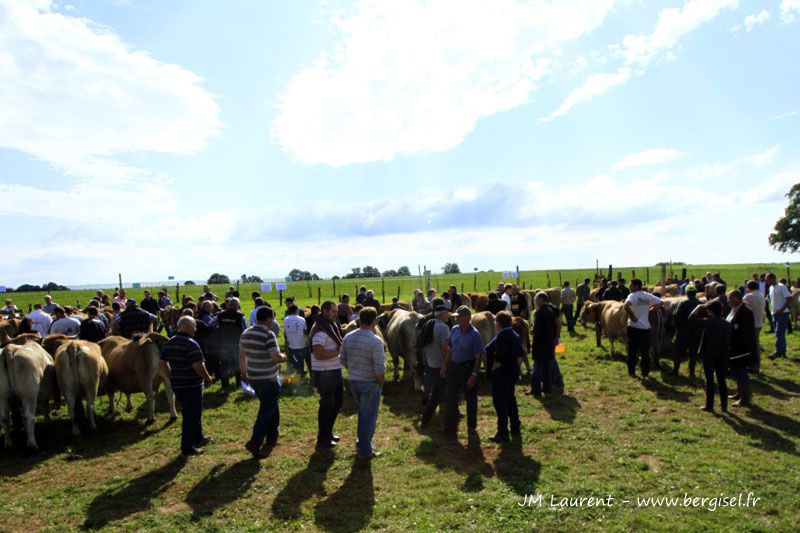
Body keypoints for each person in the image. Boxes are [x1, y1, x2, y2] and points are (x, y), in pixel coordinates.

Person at [160, 316, 213, 456]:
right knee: (192, 415)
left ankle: (198, 438)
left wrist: (171, 376)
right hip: (192, 385)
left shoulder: (170, 342)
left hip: (177, 384)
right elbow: (198, 365)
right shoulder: (191, 343)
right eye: (194, 326)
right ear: (188, 327)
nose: (195, 329)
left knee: (191, 412)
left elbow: (163, 363)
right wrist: (207, 377)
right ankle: (187, 447)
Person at [339, 306, 385, 459]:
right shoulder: (376, 341)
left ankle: (361, 445)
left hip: (353, 382)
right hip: (370, 383)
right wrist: (381, 383)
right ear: (374, 321)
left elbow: (343, 360)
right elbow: (379, 369)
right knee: (369, 417)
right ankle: (365, 451)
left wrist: (354, 370)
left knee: (363, 414)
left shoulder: (348, 336)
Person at [240, 306, 286, 458]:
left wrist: (243, 372)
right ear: (267, 318)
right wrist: (284, 357)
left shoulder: (246, 332)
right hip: (268, 378)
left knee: (271, 405)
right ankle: (255, 441)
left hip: (253, 377)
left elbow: (242, 355)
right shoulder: (268, 334)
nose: (272, 321)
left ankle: (272, 436)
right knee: (266, 410)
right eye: (272, 318)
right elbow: (275, 357)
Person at [442, 306, 484, 438]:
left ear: (467, 318)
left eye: (459, 317)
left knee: (470, 398)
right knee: (450, 396)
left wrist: (474, 375)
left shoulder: (475, 335)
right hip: (454, 367)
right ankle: (450, 427)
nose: (456, 319)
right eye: (456, 317)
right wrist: (444, 365)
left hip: (468, 368)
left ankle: (471, 427)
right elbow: (451, 350)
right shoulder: (454, 330)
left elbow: (478, 356)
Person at [309, 301, 344, 449]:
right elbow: (318, 354)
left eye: (336, 311)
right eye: (333, 311)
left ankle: (327, 432)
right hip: (325, 373)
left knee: (337, 402)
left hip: (334, 370)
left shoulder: (330, 326)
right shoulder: (320, 330)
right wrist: (339, 352)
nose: (336, 314)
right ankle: (323, 437)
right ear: (324, 311)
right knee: (327, 406)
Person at [484, 311, 523, 442]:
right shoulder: (515, 334)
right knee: (510, 400)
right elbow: (520, 355)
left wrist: (492, 369)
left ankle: (502, 432)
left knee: (500, 403)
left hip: (501, 375)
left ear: (498, 323)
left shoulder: (502, 336)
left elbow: (499, 357)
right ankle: (515, 427)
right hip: (512, 373)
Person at [689, 301, 730, 413]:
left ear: (711, 311)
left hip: (709, 354)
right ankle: (724, 405)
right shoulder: (726, 323)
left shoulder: (709, 322)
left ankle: (709, 405)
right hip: (722, 354)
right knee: (722, 380)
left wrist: (697, 308)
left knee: (710, 380)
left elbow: (691, 319)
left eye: (707, 310)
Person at [623, 279, 663, 378]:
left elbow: (626, 305)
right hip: (645, 328)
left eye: (631, 285)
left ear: (636, 286)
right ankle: (645, 372)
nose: (629, 287)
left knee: (632, 350)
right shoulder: (647, 295)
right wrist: (652, 309)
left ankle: (631, 372)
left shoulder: (632, 295)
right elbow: (661, 302)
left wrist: (632, 316)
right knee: (645, 351)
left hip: (634, 326)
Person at [420, 306, 451, 427]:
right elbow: (445, 348)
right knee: (438, 392)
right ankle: (426, 418)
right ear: (442, 314)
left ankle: (453, 411)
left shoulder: (429, 324)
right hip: (441, 364)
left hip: (431, 362)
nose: (449, 315)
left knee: (441, 388)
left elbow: (423, 345)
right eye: (447, 313)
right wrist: (446, 364)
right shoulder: (443, 327)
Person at [727, 291, 756, 407]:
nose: (728, 301)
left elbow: (745, 333)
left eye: (729, 299)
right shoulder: (735, 309)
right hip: (734, 347)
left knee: (741, 372)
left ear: (736, 299)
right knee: (736, 371)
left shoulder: (745, 312)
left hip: (742, 349)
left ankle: (744, 398)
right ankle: (739, 393)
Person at [529, 292, 557, 397]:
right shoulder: (550, 311)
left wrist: (532, 331)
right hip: (548, 343)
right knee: (546, 367)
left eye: (536, 299)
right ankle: (547, 387)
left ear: (542, 300)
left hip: (540, 344)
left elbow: (537, 329)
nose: (535, 301)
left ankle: (535, 389)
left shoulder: (540, 312)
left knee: (537, 368)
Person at [216, 297, 248, 388]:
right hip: (236, 344)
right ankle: (238, 383)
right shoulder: (240, 316)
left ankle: (225, 384)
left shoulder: (220, 315)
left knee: (224, 364)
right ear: (237, 306)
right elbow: (245, 330)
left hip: (223, 343)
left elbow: (212, 325)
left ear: (228, 305)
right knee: (237, 363)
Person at [672, 285, 702, 377]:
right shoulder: (701, 304)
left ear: (686, 293)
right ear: (695, 293)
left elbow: (677, 316)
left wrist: (678, 327)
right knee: (693, 352)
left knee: (678, 351)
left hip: (683, 331)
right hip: (697, 331)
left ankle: (675, 371)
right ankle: (691, 372)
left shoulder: (683, 303)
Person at [742, 280, 766, 373]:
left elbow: (741, 304)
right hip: (759, 323)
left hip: (752, 324)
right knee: (755, 345)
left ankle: (754, 366)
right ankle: (755, 365)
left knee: (753, 346)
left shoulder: (749, 296)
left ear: (749, 287)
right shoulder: (760, 294)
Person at [766, 272, 791, 359]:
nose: (767, 282)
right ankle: (782, 352)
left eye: (768, 280)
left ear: (773, 278)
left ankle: (778, 352)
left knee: (779, 333)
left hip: (782, 313)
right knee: (778, 333)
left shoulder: (781, 287)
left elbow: (789, 299)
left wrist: (781, 310)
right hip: (774, 313)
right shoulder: (771, 288)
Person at [284, 304, 309, 377]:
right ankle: (300, 371)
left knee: (291, 358)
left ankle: (299, 371)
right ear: (296, 310)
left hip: (291, 342)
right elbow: (305, 331)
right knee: (300, 359)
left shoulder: (285, 320)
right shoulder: (302, 319)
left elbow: (285, 331)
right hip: (301, 342)